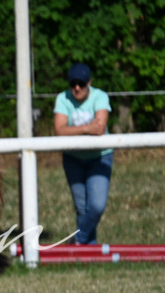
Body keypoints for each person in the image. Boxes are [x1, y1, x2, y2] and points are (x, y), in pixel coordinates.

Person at [54, 62, 112, 245]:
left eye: (81, 83)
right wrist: (88, 127)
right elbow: (60, 129)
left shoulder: (100, 96)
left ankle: (78, 241)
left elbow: (100, 127)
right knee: (81, 208)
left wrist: (74, 129)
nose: (77, 88)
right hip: (73, 158)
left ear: (89, 82)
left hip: (99, 157)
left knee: (96, 206)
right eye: (73, 84)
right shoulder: (62, 99)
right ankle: (88, 251)